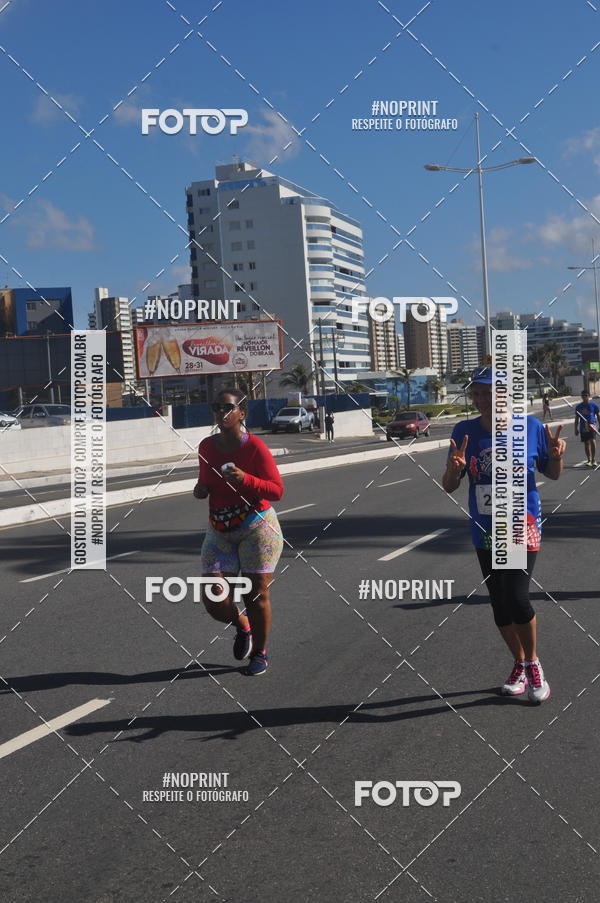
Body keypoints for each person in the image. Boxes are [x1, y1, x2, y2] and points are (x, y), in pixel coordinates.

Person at [442, 366, 566, 703]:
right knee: (499, 605)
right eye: (477, 393)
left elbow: (552, 474)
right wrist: (454, 470)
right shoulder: (464, 430)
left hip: (520, 523)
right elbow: (450, 485)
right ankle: (520, 662)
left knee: (516, 596)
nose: (483, 399)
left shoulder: (530, 427)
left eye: (490, 392)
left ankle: (534, 663)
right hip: (485, 529)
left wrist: (556, 457)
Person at [193, 388, 284, 676]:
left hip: (257, 526)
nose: (221, 412)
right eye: (217, 407)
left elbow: (277, 490)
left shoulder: (255, 448)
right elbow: (204, 482)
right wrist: (200, 489)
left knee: (256, 594)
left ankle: (260, 653)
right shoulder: (206, 447)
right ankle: (242, 625)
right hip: (219, 529)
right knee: (213, 598)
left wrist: (247, 480)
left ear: (241, 413)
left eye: (228, 407)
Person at [574, 389, 600, 467]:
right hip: (583, 427)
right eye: (583, 396)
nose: (584, 397)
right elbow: (576, 418)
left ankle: (593, 459)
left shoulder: (594, 405)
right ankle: (589, 459)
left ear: (589, 396)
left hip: (592, 426)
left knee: (593, 441)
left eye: (586, 396)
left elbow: (598, 415)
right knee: (586, 443)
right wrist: (576, 428)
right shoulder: (579, 407)